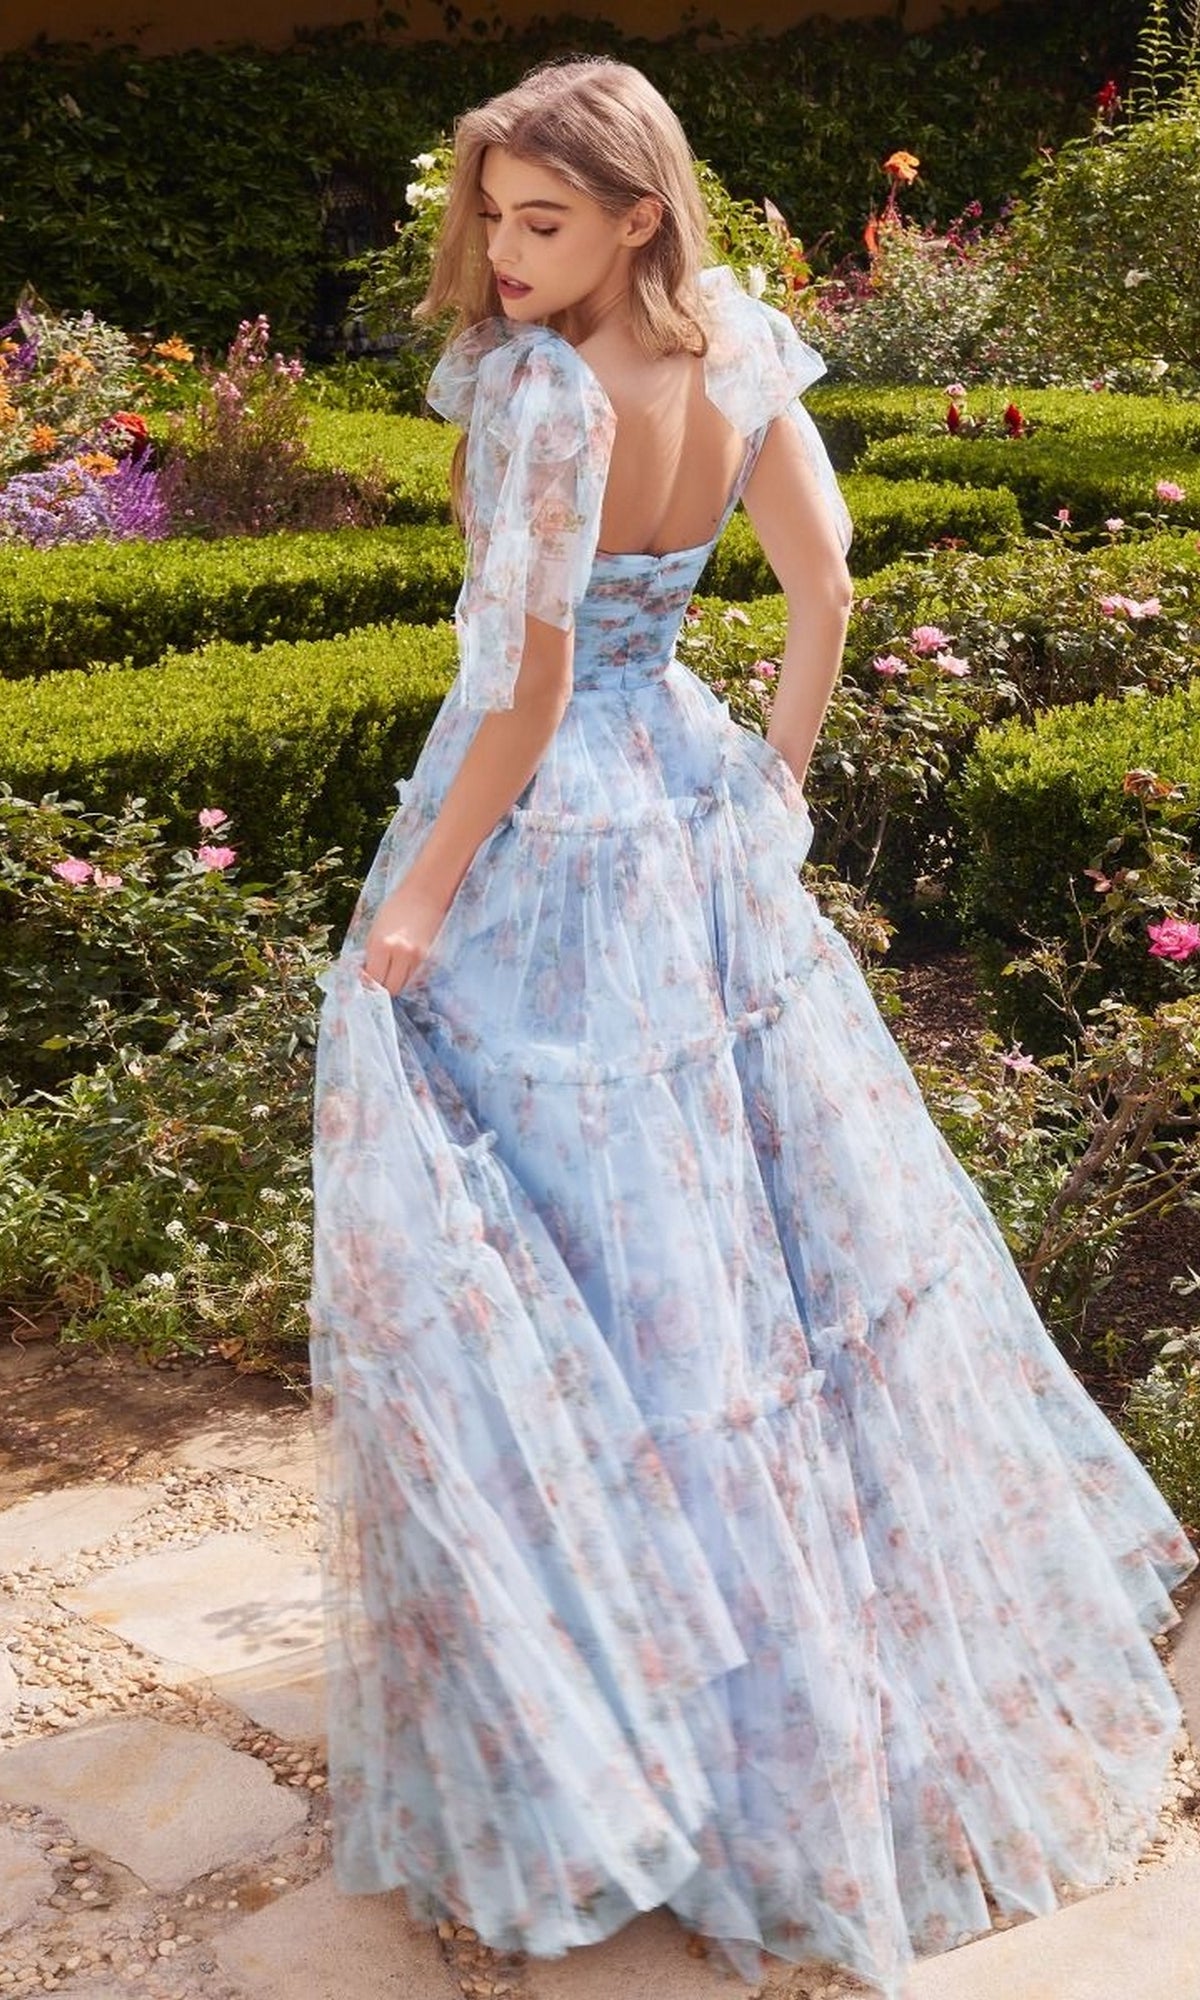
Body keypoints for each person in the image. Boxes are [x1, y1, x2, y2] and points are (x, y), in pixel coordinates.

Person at [307, 56, 1197, 2000]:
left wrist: (425, 903)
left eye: (543, 221)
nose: (503, 257)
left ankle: (617, 1681)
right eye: (491, 220)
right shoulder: (744, 355)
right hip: (692, 810)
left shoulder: (538, 400)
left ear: (641, 211)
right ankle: (724, 1646)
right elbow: (824, 583)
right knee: (733, 1243)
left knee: (561, 1245)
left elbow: (524, 696)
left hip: (548, 839)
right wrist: (769, 794)